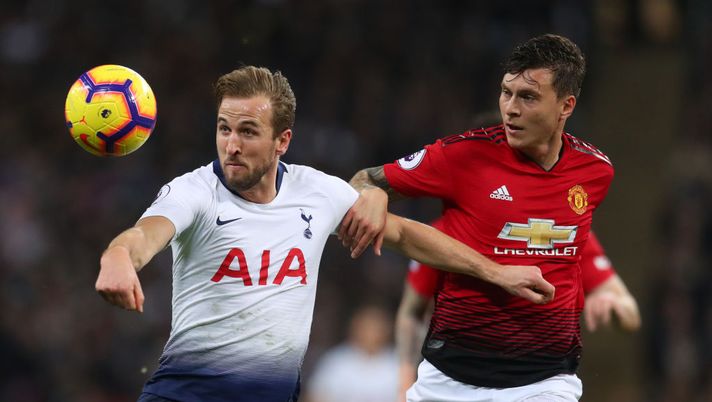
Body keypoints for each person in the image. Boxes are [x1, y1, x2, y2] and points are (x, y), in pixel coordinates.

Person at [94, 66, 556, 402]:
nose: (231, 145)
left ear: (282, 141)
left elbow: (406, 235)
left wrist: (496, 271)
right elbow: (143, 236)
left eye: (248, 131)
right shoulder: (194, 192)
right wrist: (117, 256)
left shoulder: (317, 192)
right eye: (224, 129)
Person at [340, 34, 614, 401]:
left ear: (566, 105)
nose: (510, 109)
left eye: (528, 97)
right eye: (506, 93)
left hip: (545, 381)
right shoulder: (465, 155)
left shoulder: (595, 171)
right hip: (448, 381)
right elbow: (361, 181)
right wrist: (372, 191)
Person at [394, 223, 641, 400]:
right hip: (454, 378)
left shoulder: (565, 231)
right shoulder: (450, 233)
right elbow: (412, 312)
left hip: (538, 381)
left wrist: (614, 303)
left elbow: (631, 315)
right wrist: (404, 381)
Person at [306, 305, 398, 402]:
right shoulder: (336, 361)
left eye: (376, 328)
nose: (371, 333)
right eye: (366, 327)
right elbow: (315, 396)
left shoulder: (398, 362)